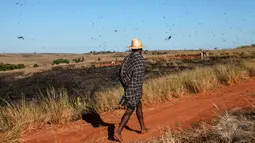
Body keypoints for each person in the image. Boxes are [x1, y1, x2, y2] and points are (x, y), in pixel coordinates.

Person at [114, 38, 149, 142]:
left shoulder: (128, 59)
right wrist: (134, 90)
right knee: (130, 108)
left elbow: (122, 73)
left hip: (128, 85)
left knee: (139, 105)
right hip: (134, 87)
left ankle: (143, 127)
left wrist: (126, 85)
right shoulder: (140, 60)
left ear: (132, 49)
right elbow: (138, 78)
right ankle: (118, 132)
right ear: (140, 49)